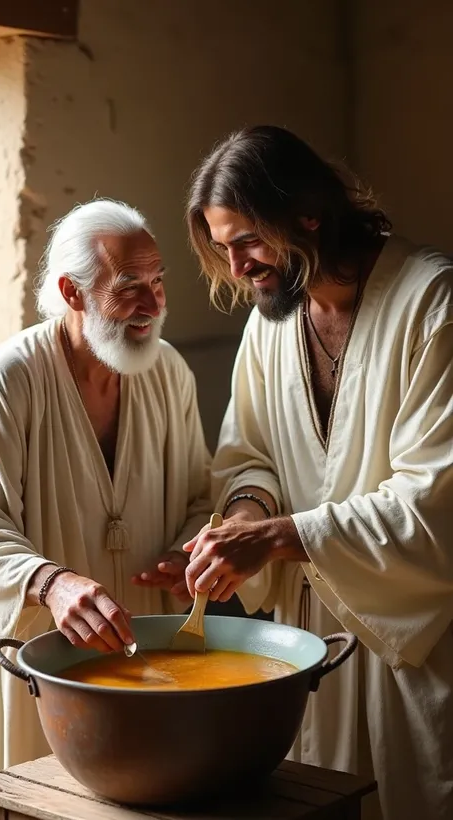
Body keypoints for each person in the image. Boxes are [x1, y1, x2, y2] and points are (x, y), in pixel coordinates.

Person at [184, 125, 453, 820]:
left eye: (246, 240)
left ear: (307, 214)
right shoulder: (270, 326)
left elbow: (436, 498)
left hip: (416, 638)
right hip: (309, 646)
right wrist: (244, 519)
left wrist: (280, 537)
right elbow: (250, 457)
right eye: (222, 248)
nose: (238, 267)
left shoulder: (432, 303)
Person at [0, 198, 212, 811]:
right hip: (44, 663)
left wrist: (184, 556)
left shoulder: (169, 372)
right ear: (72, 291)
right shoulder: (10, 378)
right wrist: (48, 583)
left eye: (158, 281)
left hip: (149, 653)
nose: (153, 303)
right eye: (129, 284)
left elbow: (198, 495)